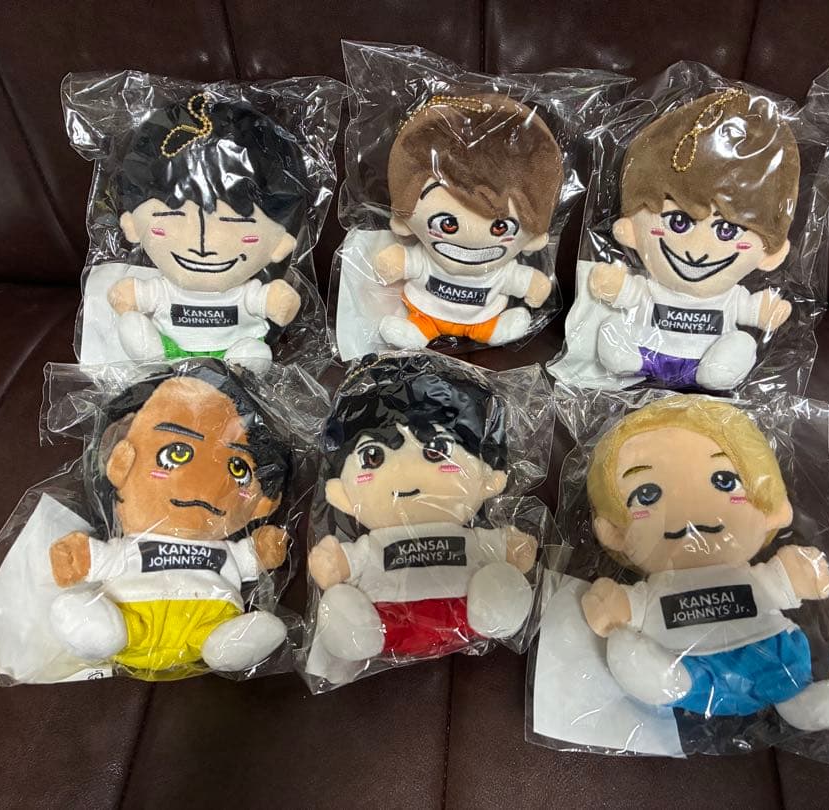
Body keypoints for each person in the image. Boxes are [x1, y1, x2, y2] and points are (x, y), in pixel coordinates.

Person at [581, 395, 829, 731]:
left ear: (771, 510)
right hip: (684, 664)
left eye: (724, 481)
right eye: (647, 494)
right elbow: (630, 606)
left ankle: (799, 700)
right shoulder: (658, 587)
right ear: (615, 532)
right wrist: (615, 606)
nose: (691, 509)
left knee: (786, 664)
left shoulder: (753, 577)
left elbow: (783, 582)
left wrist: (800, 573)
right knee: (643, 660)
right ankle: (667, 682)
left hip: (765, 649)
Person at [47, 360, 292, 680]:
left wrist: (262, 549)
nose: (204, 483)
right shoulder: (131, 544)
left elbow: (249, 558)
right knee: (100, 623)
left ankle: (225, 645)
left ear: (260, 503)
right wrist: (77, 556)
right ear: (120, 464)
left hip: (207, 624)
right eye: (176, 453)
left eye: (237, 468)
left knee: (222, 636)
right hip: (130, 618)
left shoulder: (223, 547)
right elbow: (99, 558)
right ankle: (101, 633)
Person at [307, 354, 537, 665]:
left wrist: (510, 548)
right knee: (341, 606)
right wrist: (335, 563)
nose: (404, 474)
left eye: (438, 450)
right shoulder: (372, 545)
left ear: (488, 479)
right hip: (387, 624)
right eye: (373, 456)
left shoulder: (470, 536)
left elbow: (502, 548)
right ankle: (356, 631)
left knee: (500, 583)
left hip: (466, 613)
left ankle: (497, 607)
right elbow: (345, 563)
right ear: (342, 494)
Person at [589, 89, 799, 390]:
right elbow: (632, 292)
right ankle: (624, 357)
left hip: (703, 365)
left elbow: (749, 310)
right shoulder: (651, 286)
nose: (698, 251)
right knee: (612, 328)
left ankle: (719, 371)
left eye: (726, 231)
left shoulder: (731, 297)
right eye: (678, 221)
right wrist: (617, 286)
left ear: (769, 254)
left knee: (740, 341)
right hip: (644, 355)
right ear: (630, 231)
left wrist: (763, 311)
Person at [104, 93, 310, 370]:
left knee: (252, 354)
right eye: (173, 217)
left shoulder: (245, 292)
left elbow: (268, 302)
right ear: (132, 226)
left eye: (235, 224)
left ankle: (239, 370)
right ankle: (154, 361)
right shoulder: (163, 289)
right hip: (170, 350)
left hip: (233, 353)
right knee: (134, 327)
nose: (202, 246)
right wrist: (131, 295)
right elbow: (138, 296)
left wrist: (276, 301)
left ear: (281, 244)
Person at [373, 94, 563, 348]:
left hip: (484, 317)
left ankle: (491, 330)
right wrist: (396, 262)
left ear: (533, 239)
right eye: (447, 224)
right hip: (425, 311)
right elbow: (410, 262)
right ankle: (419, 330)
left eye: (500, 227)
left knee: (493, 326)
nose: (472, 235)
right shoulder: (426, 257)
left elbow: (520, 279)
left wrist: (534, 286)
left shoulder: (501, 271)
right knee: (417, 326)